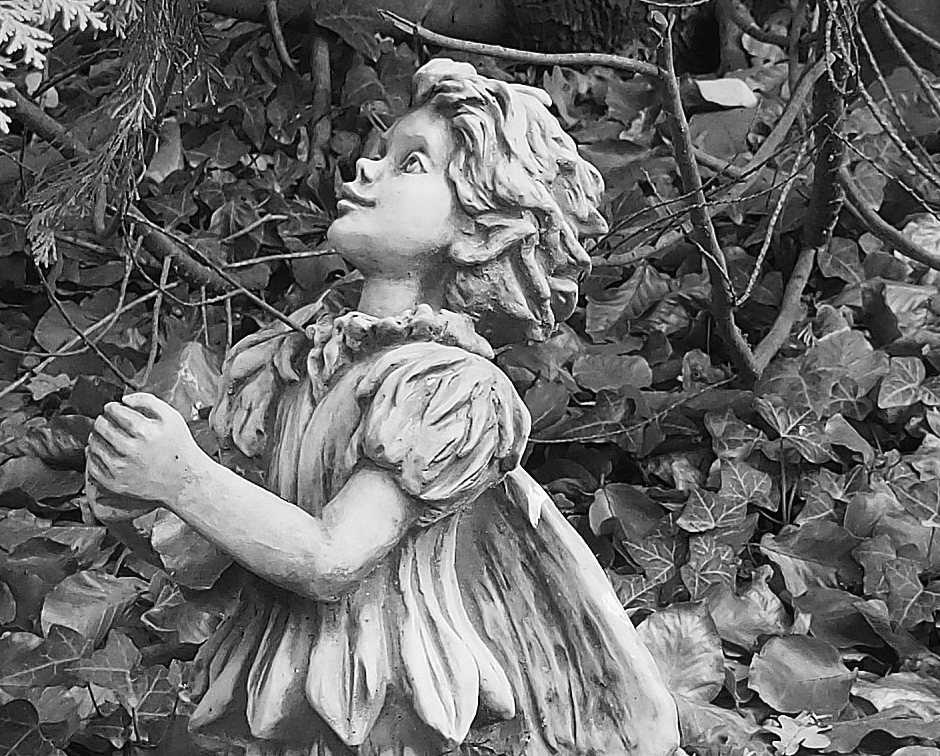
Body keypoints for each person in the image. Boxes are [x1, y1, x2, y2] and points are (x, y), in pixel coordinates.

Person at [87, 58, 680, 756]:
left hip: (379, 695)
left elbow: (332, 559)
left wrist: (182, 478)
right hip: (267, 684)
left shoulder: (449, 391)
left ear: (478, 231)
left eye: (412, 163)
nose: (367, 168)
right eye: (382, 151)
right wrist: (141, 492)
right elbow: (214, 548)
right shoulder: (289, 360)